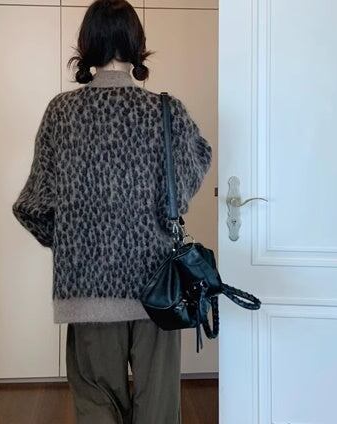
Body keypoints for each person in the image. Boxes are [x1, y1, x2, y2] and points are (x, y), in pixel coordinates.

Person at [12, 0, 212, 422]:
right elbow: (196, 163)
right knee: (158, 410)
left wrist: (72, 239)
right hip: (159, 289)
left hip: (86, 288)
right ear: (137, 44)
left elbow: (34, 206)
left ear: (87, 44)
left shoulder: (61, 112)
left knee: (97, 405)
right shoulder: (165, 111)